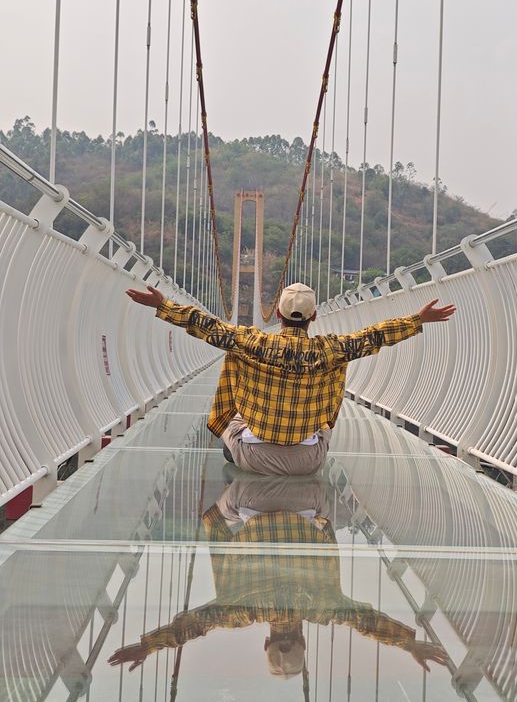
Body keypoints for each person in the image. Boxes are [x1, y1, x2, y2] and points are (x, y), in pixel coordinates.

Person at [107, 474, 449, 679]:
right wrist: (148, 645)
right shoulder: (239, 611)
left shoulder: (323, 607)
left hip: (309, 492)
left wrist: (409, 642)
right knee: (230, 477)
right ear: (266, 642)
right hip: (248, 493)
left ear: (304, 640)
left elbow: (367, 621)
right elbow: (191, 625)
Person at [125, 281, 455, 476]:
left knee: (230, 416)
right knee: (322, 421)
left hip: (252, 459)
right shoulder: (331, 349)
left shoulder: (252, 341)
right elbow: (374, 336)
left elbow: (207, 326)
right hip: (308, 462)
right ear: (313, 316)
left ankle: (235, 509)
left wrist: (164, 305)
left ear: (278, 315)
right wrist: (417, 319)